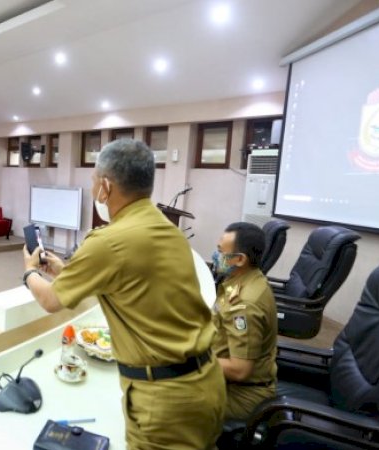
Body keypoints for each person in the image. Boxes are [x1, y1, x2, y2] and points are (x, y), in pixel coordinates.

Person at [22, 139, 226, 449]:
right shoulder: (168, 229)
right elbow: (129, 284)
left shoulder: (108, 241)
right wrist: (66, 271)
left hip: (165, 401)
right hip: (205, 384)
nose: (93, 192)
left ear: (105, 186)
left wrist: (28, 272)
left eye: (93, 182)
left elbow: (51, 301)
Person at [211, 222, 277, 421]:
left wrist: (192, 358)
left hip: (242, 394)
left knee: (166, 400)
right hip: (228, 381)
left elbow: (239, 370)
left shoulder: (245, 304)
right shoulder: (242, 280)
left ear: (240, 259)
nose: (216, 256)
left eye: (220, 252)